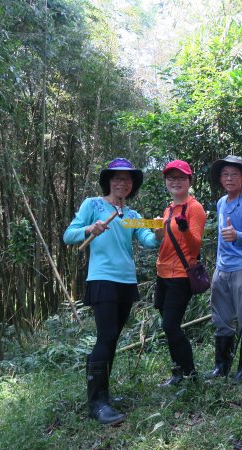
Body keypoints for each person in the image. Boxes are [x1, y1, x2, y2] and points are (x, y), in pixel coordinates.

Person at [63, 158, 162, 425]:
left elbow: (148, 241)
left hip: (126, 282)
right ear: (109, 181)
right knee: (105, 337)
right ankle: (97, 403)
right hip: (102, 279)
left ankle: (104, 394)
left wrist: (161, 231)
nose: (122, 183)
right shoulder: (93, 205)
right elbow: (69, 235)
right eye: (117, 179)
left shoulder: (131, 216)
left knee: (113, 338)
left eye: (127, 180)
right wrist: (89, 228)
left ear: (132, 185)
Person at [205, 155, 242, 383]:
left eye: (234, 174)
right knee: (221, 317)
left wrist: (236, 235)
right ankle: (221, 367)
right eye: (225, 175)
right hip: (222, 268)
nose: (229, 178)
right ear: (220, 179)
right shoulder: (221, 202)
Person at [154, 160, 206, 387]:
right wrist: (157, 231)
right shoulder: (168, 210)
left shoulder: (194, 208)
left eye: (180, 178)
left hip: (180, 275)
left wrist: (184, 229)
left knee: (170, 325)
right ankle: (177, 373)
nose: (175, 182)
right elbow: (164, 242)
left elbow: (194, 247)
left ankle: (190, 376)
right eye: (171, 178)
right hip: (162, 273)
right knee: (168, 325)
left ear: (189, 182)